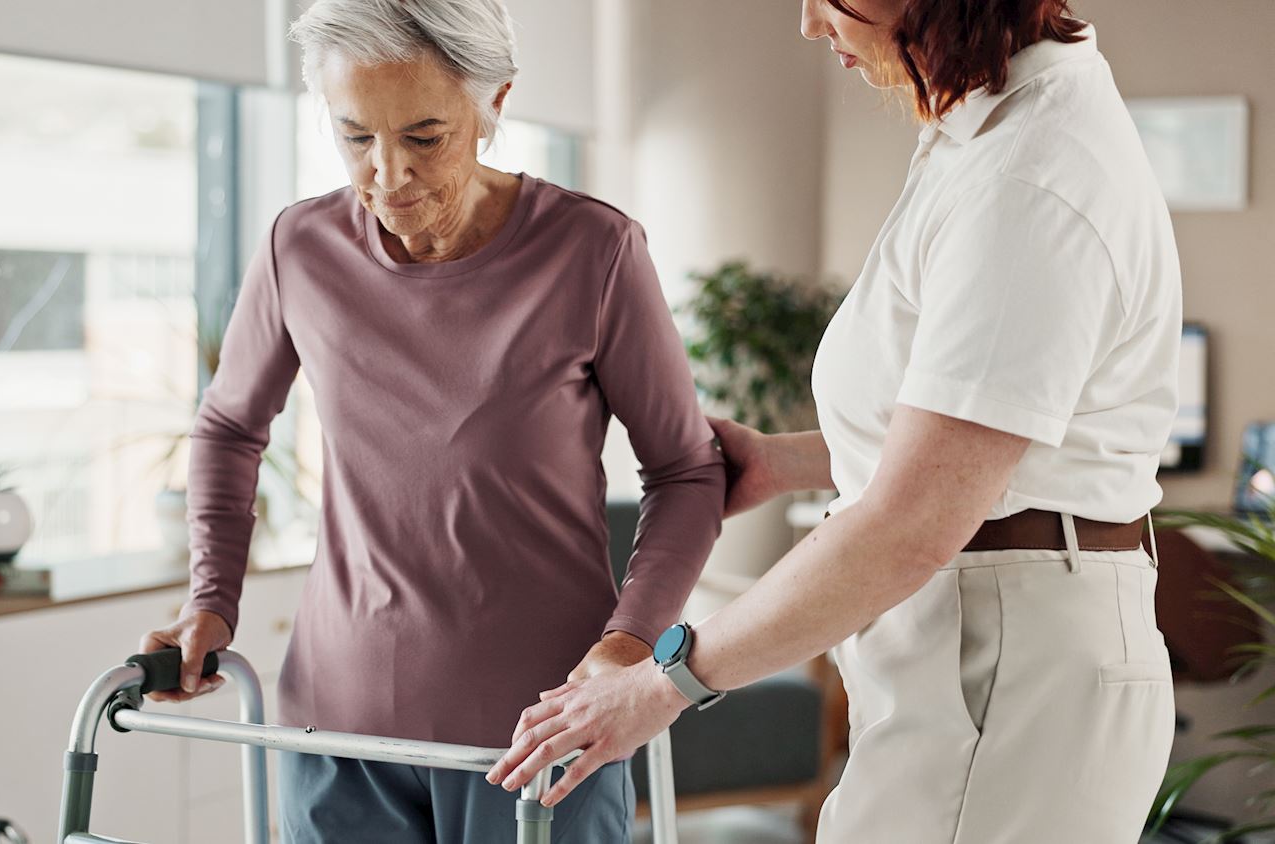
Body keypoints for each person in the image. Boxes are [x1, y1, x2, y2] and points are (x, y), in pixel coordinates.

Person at [489, 1, 1182, 841]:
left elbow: (914, 522)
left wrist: (664, 682)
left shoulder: (1027, 175)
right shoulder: (987, 137)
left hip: (1008, 677)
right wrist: (783, 462)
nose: (812, 25)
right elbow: (974, 437)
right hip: (978, 661)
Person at [137, 0, 724, 840]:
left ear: (493, 105)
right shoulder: (298, 248)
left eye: (423, 137)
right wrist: (210, 601)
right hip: (333, 729)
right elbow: (230, 427)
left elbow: (686, 470)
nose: (388, 176)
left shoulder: (593, 252)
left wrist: (629, 644)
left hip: (542, 732)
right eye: (355, 138)